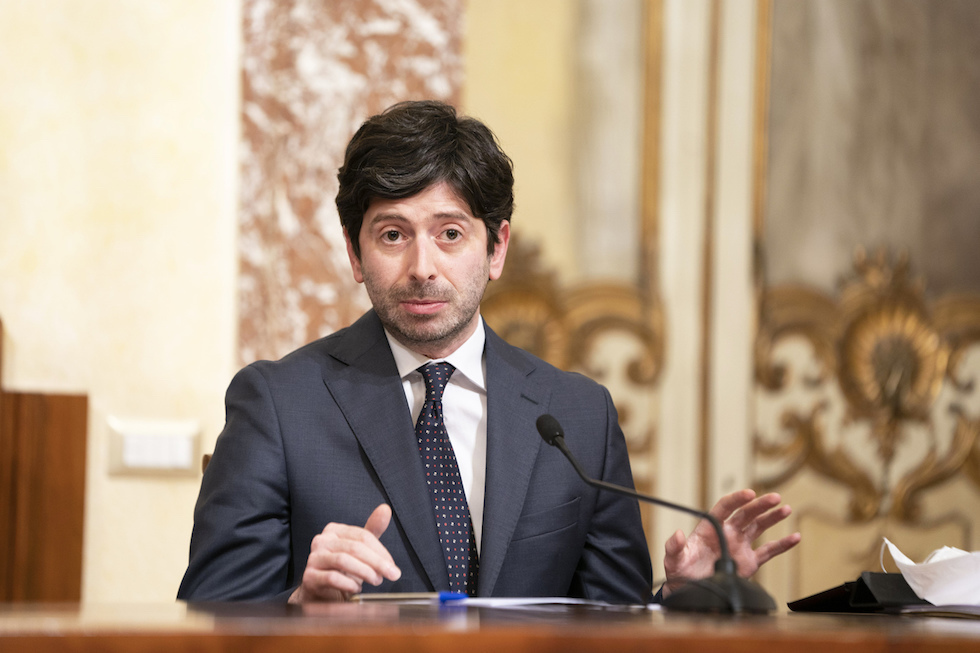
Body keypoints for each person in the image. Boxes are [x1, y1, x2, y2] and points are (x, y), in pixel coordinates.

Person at [177, 100, 800, 605]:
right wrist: (298, 608)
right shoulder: (280, 403)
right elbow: (210, 611)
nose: (423, 268)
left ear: (496, 248)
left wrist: (681, 603)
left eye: (451, 234)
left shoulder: (578, 415)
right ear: (354, 252)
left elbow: (610, 624)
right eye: (393, 235)